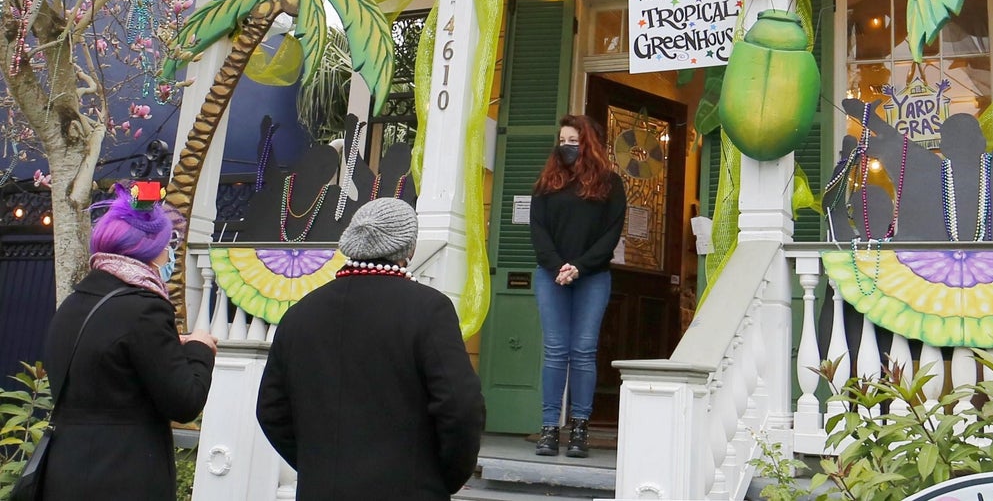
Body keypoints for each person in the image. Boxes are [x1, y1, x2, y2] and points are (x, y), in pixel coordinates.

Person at [256, 197, 484, 500]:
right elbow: (461, 407)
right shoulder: (429, 309)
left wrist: (319, 466)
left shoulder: (301, 313)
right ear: (410, 249)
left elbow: (271, 410)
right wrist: (440, 478)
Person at [41, 185, 217, 501]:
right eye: (167, 246)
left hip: (63, 471)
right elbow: (185, 401)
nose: (170, 255)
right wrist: (199, 349)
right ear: (148, 249)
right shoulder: (145, 308)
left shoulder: (75, 303)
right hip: (123, 476)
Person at [529, 114, 626, 458]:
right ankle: (549, 428)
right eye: (563, 141)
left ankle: (580, 428)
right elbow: (537, 230)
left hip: (593, 277)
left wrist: (579, 268)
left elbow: (610, 235)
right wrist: (558, 266)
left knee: (583, 351)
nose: (566, 147)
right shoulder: (545, 184)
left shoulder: (611, 184)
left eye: (574, 141)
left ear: (589, 144)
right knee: (556, 350)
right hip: (550, 275)